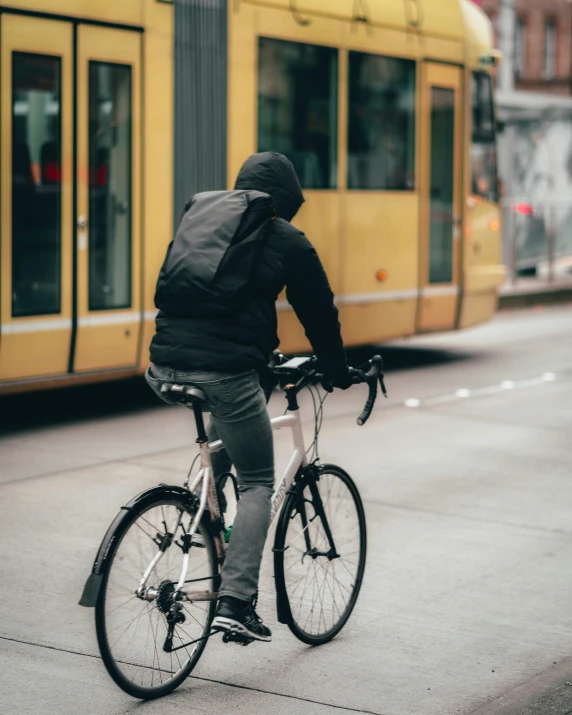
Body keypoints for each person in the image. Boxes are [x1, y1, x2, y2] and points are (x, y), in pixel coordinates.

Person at [146, 152, 354, 642]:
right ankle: (236, 602)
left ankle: (197, 518)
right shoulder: (286, 239)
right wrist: (338, 370)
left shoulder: (205, 223)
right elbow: (319, 314)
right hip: (223, 371)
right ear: (285, 199)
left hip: (162, 365)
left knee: (225, 440)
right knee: (260, 480)